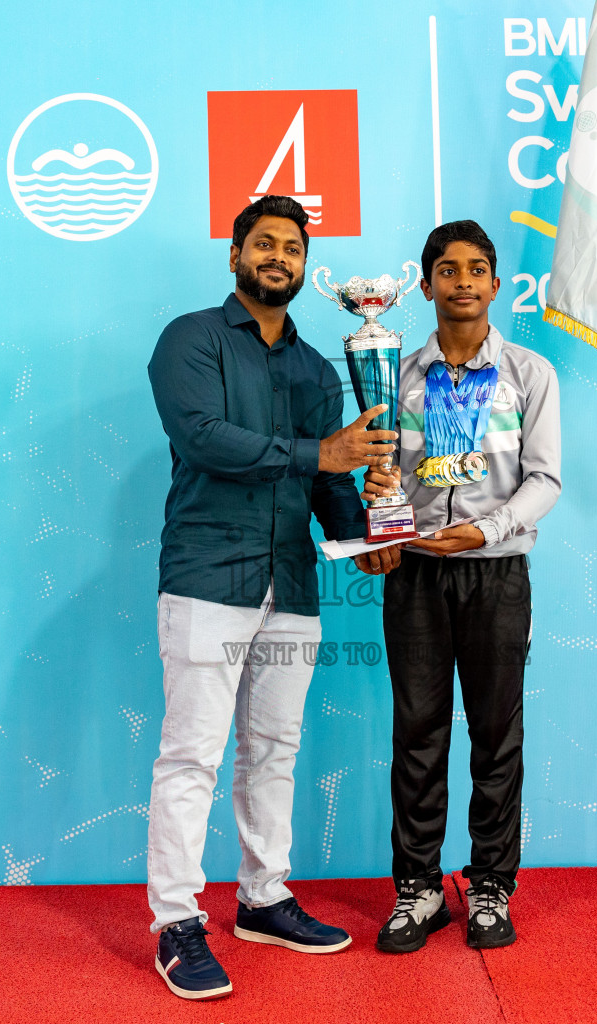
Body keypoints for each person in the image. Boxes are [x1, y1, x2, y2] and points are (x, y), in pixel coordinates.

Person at [145, 195, 396, 1001]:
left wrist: (366, 535)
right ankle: (176, 922)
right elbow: (204, 439)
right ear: (236, 256)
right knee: (193, 754)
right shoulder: (191, 340)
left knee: (274, 750)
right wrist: (322, 453)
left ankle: (263, 897)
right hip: (208, 576)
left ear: (303, 264)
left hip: (291, 585)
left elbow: (331, 483)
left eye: (291, 247)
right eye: (264, 244)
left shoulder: (319, 369)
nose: (277, 257)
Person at [359, 220, 561, 953]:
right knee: (417, 731)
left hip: (496, 573)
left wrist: (485, 531)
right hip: (415, 573)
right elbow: (381, 473)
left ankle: (490, 886)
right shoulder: (394, 374)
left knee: (496, 733)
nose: (464, 281)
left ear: (496, 285)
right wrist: (378, 514)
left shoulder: (530, 373)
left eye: (477, 269)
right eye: (448, 270)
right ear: (426, 286)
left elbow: (545, 479)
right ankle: (417, 888)